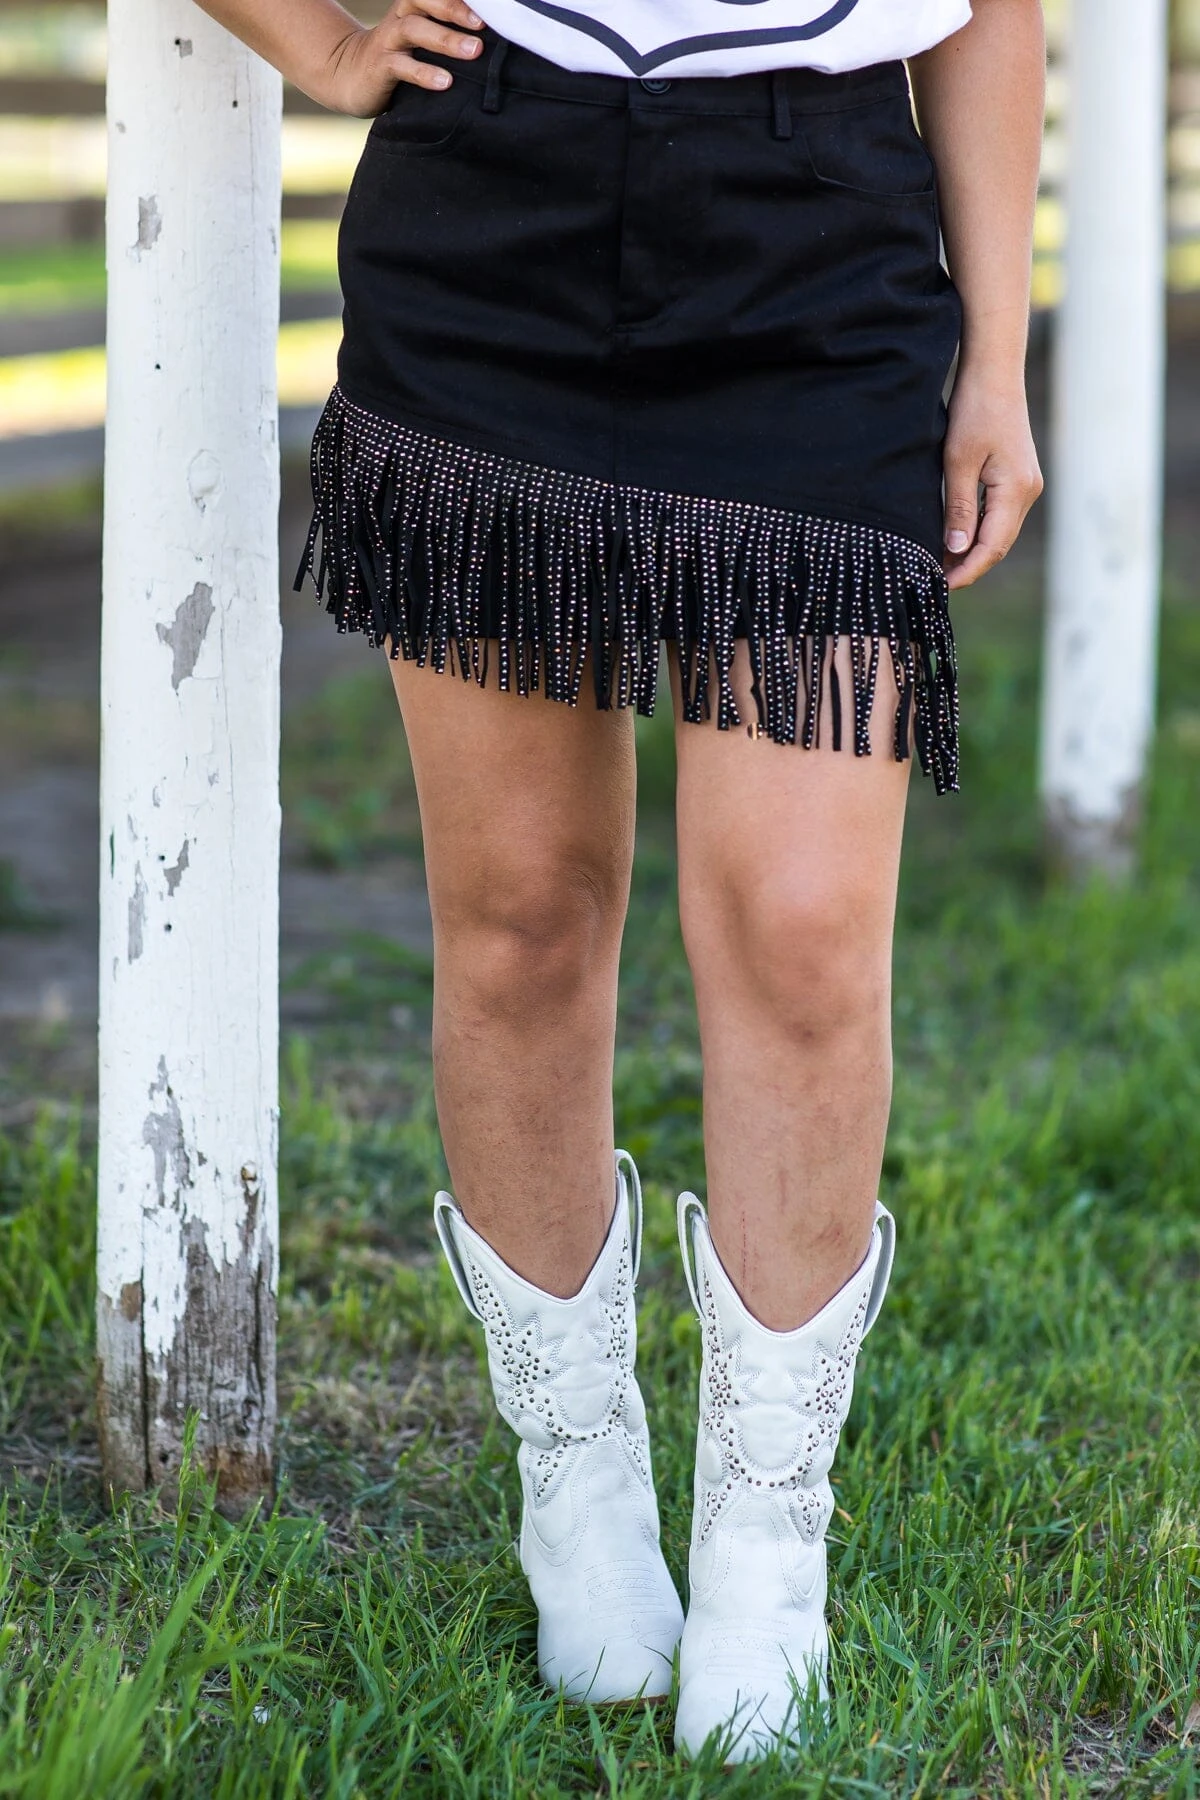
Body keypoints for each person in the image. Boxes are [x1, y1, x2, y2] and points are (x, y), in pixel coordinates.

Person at [198, 0, 1044, 1761]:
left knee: (803, 935)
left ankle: (767, 1539)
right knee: (522, 917)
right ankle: (575, 1477)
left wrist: (998, 359)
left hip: (821, 246)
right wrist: (322, 44)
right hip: (487, 215)